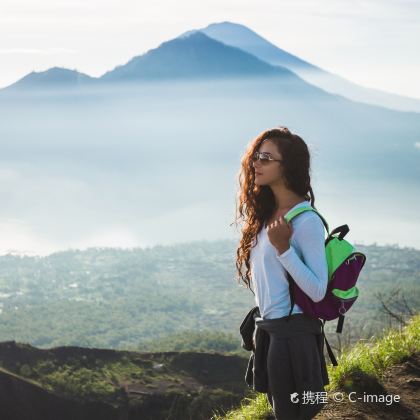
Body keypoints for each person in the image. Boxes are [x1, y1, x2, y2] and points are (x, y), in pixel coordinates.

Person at [234, 126, 330, 419]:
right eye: (256, 157)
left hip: (293, 334)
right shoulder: (267, 215)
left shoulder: (306, 221)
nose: (256, 164)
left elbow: (317, 289)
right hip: (273, 330)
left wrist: (284, 250)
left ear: (286, 166)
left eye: (266, 158)